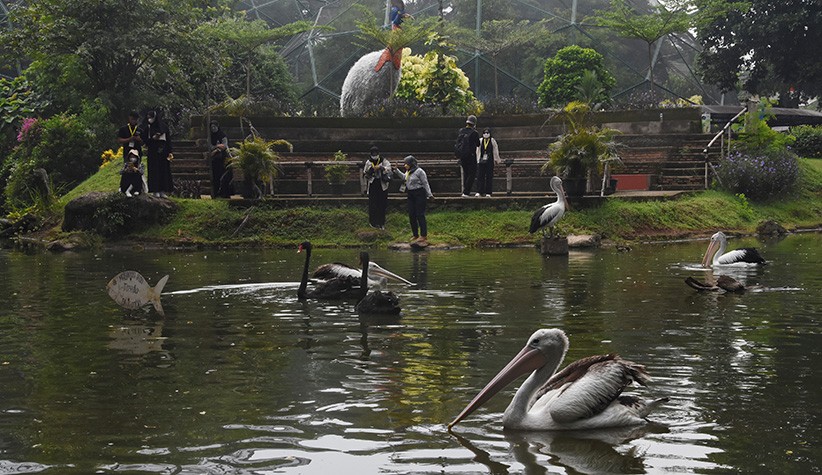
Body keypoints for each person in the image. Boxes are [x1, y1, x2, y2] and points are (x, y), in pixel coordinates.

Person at [396, 155, 433, 244]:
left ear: (412, 164)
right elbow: (404, 178)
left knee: (420, 214)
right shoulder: (408, 172)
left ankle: (423, 235)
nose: (405, 165)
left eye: (407, 164)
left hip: (419, 193)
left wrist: (429, 194)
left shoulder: (419, 171)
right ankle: (415, 234)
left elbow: (425, 183)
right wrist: (396, 170)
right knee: (412, 214)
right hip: (410, 194)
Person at [142, 110, 174, 197]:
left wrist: (170, 152)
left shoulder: (164, 127)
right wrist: (153, 138)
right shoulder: (147, 128)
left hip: (163, 152)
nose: (150, 119)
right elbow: (145, 141)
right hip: (153, 152)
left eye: (151, 117)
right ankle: (155, 190)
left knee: (163, 171)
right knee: (154, 171)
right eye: (148, 117)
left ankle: (163, 190)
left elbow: (168, 141)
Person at [363, 146, 392, 230]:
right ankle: (373, 223)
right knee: (373, 204)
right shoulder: (368, 162)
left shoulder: (384, 161)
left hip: (382, 185)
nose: (374, 155)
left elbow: (389, 169)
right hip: (373, 184)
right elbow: (365, 174)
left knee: (382, 204)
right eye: (373, 153)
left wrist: (381, 168)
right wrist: (371, 170)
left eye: (376, 153)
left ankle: (381, 223)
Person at [455, 115, 480, 197]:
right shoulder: (474, 133)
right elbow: (478, 144)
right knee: (472, 173)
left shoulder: (461, 131)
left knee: (466, 173)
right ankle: (466, 192)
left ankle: (465, 192)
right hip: (471, 155)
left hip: (462, 156)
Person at [209, 120, 232, 198]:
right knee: (216, 177)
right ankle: (216, 193)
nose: (213, 128)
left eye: (214, 127)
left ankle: (225, 193)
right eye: (211, 127)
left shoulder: (222, 135)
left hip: (224, 158)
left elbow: (224, 146)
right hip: (215, 160)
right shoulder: (210, 136)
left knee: (224, 177)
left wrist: (217, 149)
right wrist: (217, 147)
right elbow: (210, 147)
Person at [475, 127, 501, 197]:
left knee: (489, 177)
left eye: (487, 133)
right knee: (480, 176)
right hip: (481, 161)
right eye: (484, 133)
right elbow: (477, 151)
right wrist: (477, 160)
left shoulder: (492, 141)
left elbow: (495, 150)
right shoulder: (480, 141)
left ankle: (488, 192)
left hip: (489, 161)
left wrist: (496, 160)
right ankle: (479, 191)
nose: (486, 134)